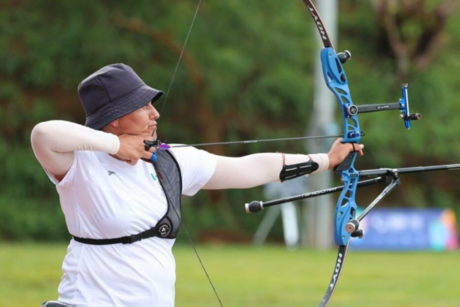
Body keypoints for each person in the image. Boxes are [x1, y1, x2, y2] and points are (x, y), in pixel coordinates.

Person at [31, 63, 364, 307]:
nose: (154, 115)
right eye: (142, 106)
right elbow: (43, 134)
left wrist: (325, 160)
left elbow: (248, 168)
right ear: (115, 118)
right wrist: (118, 147)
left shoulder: (170, 161)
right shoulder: (80, 164)